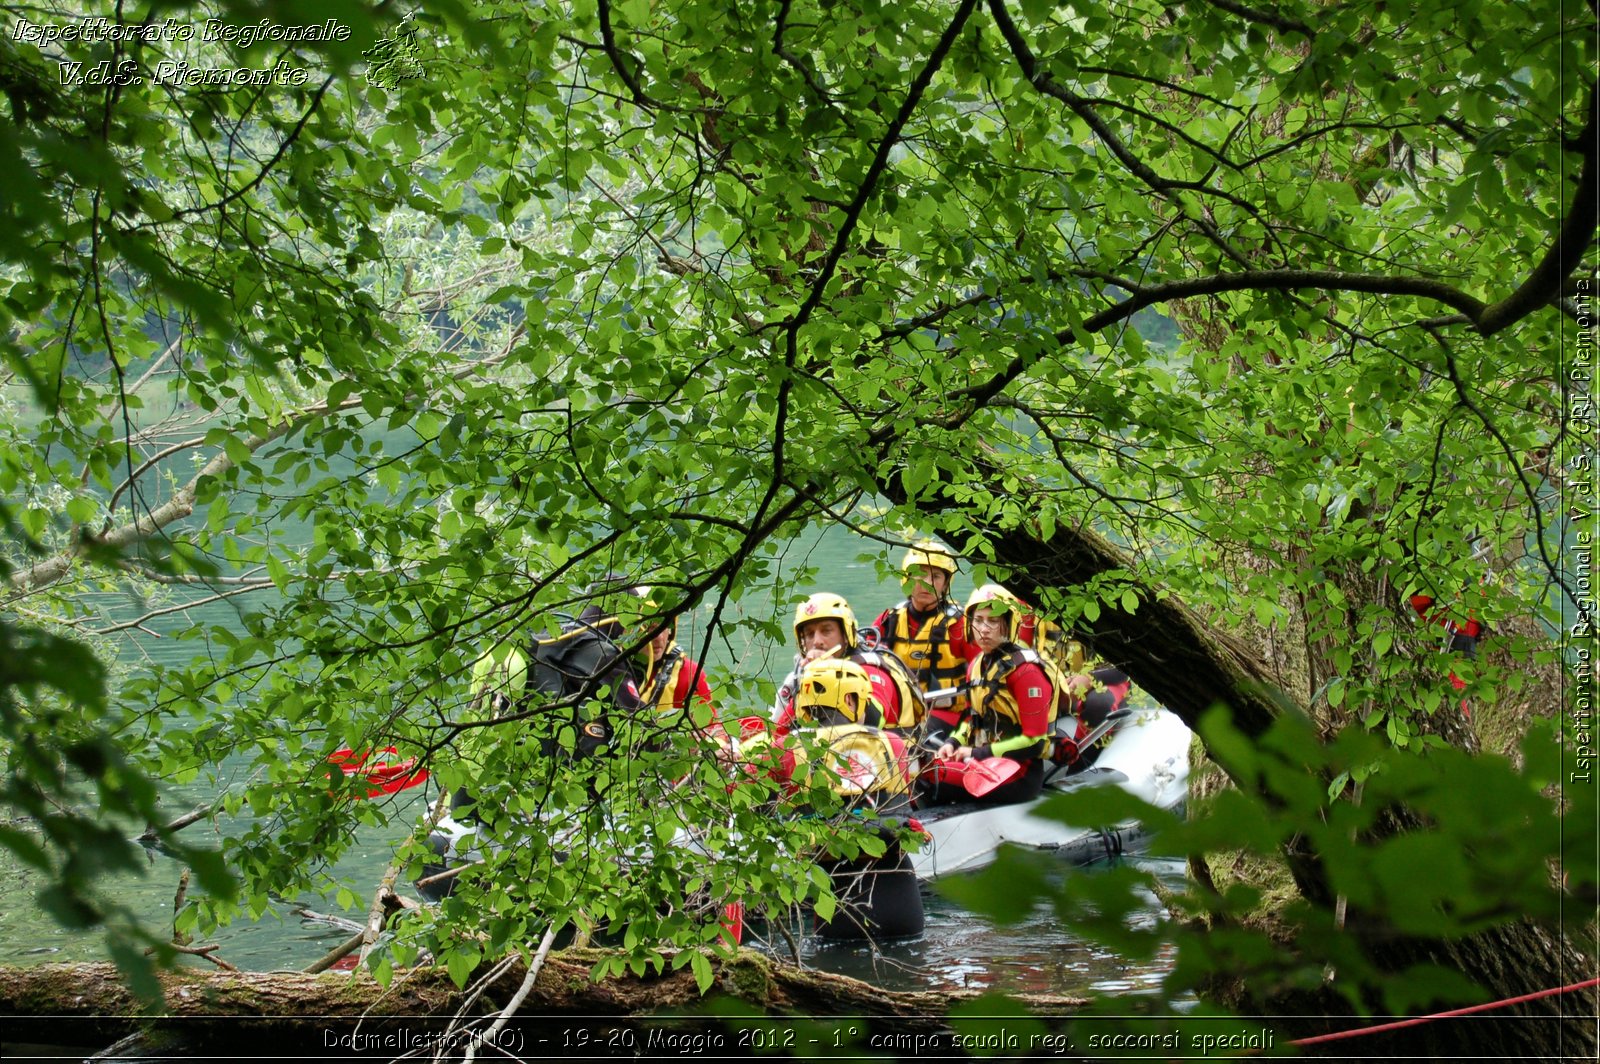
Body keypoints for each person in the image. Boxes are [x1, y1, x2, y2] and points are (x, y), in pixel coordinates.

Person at [924, 584, 1079, 806]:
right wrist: (952, 742)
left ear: (1008, 624)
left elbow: (1034, 742)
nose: (984, 629)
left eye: (993, 621)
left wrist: (978, 753)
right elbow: (973, 718)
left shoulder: (1026, 672)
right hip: (984, 763)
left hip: (1018, 774)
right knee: (925, 770)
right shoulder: (977, 665)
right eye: (978, 620)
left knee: (934, 776)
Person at [773, 592, 923, 737]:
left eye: (826, 631)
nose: (816, 641)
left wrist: (828, 674)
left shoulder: (872, 669)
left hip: (892, 756)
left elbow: (872, 721)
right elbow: (778, 732)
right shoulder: (802, 675)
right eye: (809, 634)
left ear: (846, 635)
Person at [871, 542, 978, 743]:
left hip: (949, 714)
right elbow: (863, 661)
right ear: (907, 578)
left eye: (936, 576)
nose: (927, 583)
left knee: (911, 738)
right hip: (900, 713)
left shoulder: (960, 625)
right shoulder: (889, 620)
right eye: (919, 574)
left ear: (946, 584)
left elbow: (985, 674)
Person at [640, 619, 723, 742]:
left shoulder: (690, 673)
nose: (657, 637)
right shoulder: (616, 671)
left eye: (662, 628)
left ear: (670, 631)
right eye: (649, 629)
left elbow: (713, 729)